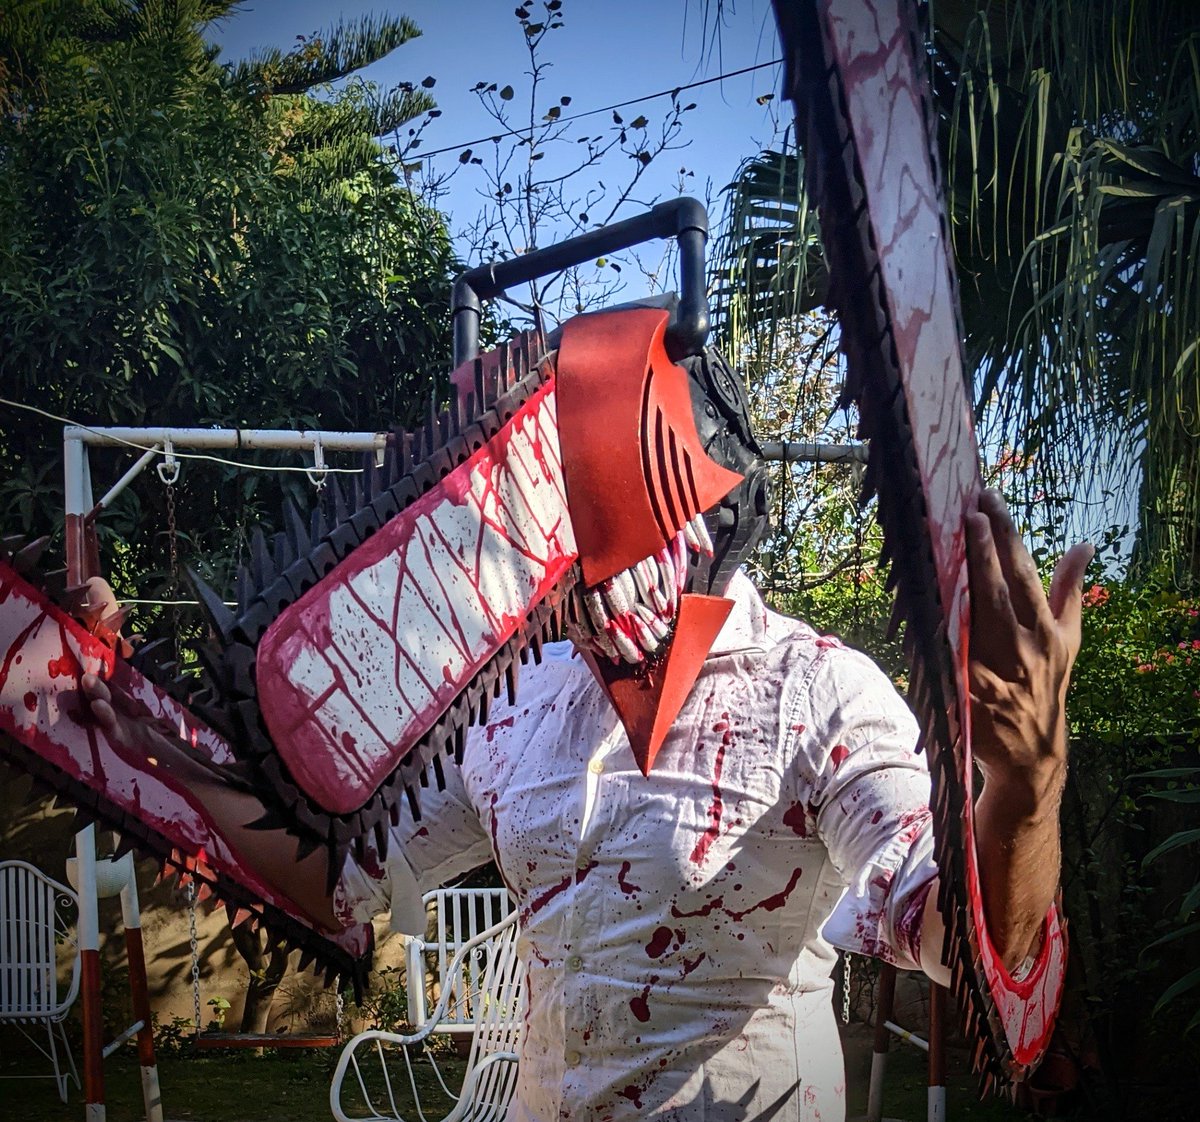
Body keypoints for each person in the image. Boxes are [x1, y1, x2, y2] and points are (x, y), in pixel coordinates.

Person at [82, 482, 1092, 1121]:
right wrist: (169, 760)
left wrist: (1026, 788)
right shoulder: (513, 704)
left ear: (703, 506)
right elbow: (340, 881)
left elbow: (951, 937)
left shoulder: (818, 691)